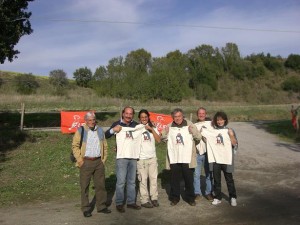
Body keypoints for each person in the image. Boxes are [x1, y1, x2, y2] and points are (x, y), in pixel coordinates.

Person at [72, 111, 111, 217]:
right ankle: (85, 208)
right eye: (89, 120)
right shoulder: (81, 130)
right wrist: (80, 160)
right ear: (85, 121)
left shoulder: (99, 130)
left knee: (100, 185)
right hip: (86, 162)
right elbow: (75, 146)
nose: (92, 122)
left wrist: (103, 160)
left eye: (93, 120)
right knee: (84, 186)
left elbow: (105, 145)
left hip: (98, 162)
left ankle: (101, 206)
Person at [161, 108, 202, 206]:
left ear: (182, 116)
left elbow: (199, 138)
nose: (177, 118)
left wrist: (192, 132)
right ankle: (175, 198)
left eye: (179, 116)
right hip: (175, 157)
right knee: (174, 179)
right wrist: (165, 133)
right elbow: (163, 138)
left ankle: (190, 198)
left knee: (189, 179)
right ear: (173, 117)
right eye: (175, 117)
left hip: (187, 157)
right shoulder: (169, 126)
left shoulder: (190, 125)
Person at [105, 106, 141, 213]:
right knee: (120, 182)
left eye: (131, 114)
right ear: (123, 113)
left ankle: (131, 202)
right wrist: (113, 130)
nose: (128, 116)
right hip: (121, 157)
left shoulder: (136, 125)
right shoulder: (117, 124)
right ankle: (119, 203)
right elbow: (106, 135)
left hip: (133, 156)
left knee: (132, 181)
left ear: (133, 115)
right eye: (127, 113)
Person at [202, 111, 238, 207]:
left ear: (225, 120)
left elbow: (235, 144)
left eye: (221, 119)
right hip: (216, 160)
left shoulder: (229, 130)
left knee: (229, 179)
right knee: (216, 180)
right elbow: (206, 138)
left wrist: (231, 135)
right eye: (217, 120)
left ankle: (233, 197)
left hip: (226, 159)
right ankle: (218, 197)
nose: (219, 121)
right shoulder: (212, 132)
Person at [137, 109, 161, 208]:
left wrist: (151, 129)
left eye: (145, 117)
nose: (144, 119)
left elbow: (158, 140)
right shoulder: (137, 128)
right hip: (141, 158)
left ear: (148, 117)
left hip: (152, 158)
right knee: (143, 180)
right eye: (142, 117)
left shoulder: (153, 127)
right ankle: (144, 200)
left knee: (153, 179)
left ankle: (154, 198)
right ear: (139, 118)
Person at [193, 107, 214, 202]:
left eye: (203, 113)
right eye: (199, 113)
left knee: (209, 174)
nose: (201, 115)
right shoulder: (193, 125)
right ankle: (197, 193)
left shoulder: (210, 124)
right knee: (196, 175)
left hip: (208, 153)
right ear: (197, 115)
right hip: (197, 153)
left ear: (205, 114)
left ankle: (208, 192)